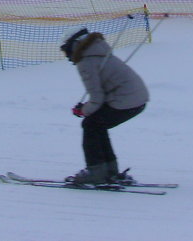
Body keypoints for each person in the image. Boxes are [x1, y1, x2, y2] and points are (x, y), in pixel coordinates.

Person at [59, 27, 149, 186]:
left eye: (66, 50)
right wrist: (87, 108)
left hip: (126, 100)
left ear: (73, 46)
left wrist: (82, 110)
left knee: (90, 124)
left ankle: (96, 172)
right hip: (137, 99)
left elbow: (96, 98)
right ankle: (109, 171)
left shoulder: (86, 62)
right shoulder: (100, 53)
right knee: (97, 125)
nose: (67, 56)